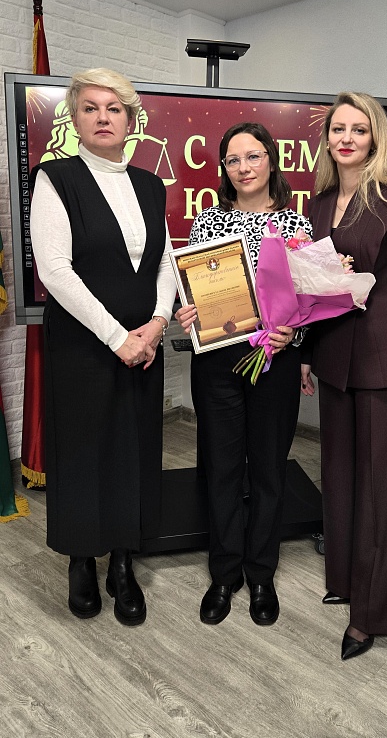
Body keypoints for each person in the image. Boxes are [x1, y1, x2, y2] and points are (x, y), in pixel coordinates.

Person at [30, 68, 177, 626]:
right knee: (84, 450)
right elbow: (55, 270)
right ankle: (81, 561)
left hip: (144, 345)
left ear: (131, 119)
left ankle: (122, 561)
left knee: (134, 450)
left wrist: (156, 324)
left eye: (114, 108)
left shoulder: (150, 185)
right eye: (90, 108)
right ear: (75, 118)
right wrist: (118, 338)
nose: (102, 117)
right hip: (85, 344)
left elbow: (165, 262)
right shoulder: (56, 178)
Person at [301, 92, 387, 659]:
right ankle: (347, 580)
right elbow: (312, 286)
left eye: (359, 129)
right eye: (338, 129)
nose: (347, 138)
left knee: (382, 489)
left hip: (386, 361)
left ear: (376, 137)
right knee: (339, 477)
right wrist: (306, 353)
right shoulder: (318, 204)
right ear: (327, 138)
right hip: (334, 357)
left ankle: (375, 613)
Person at [175, 122, 313, 626]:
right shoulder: (207, 222)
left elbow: (309, 301)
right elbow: (193, 289)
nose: (244, 168)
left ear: (271, 160)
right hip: (217, 362)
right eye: (233, 160)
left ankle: (261, 573)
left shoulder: (296, 226)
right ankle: (224, 572)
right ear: (224, 169)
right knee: (223, 467)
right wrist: (187, 311)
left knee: (270, 469)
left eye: (253, 157)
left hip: (274, 361)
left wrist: (294, 334)